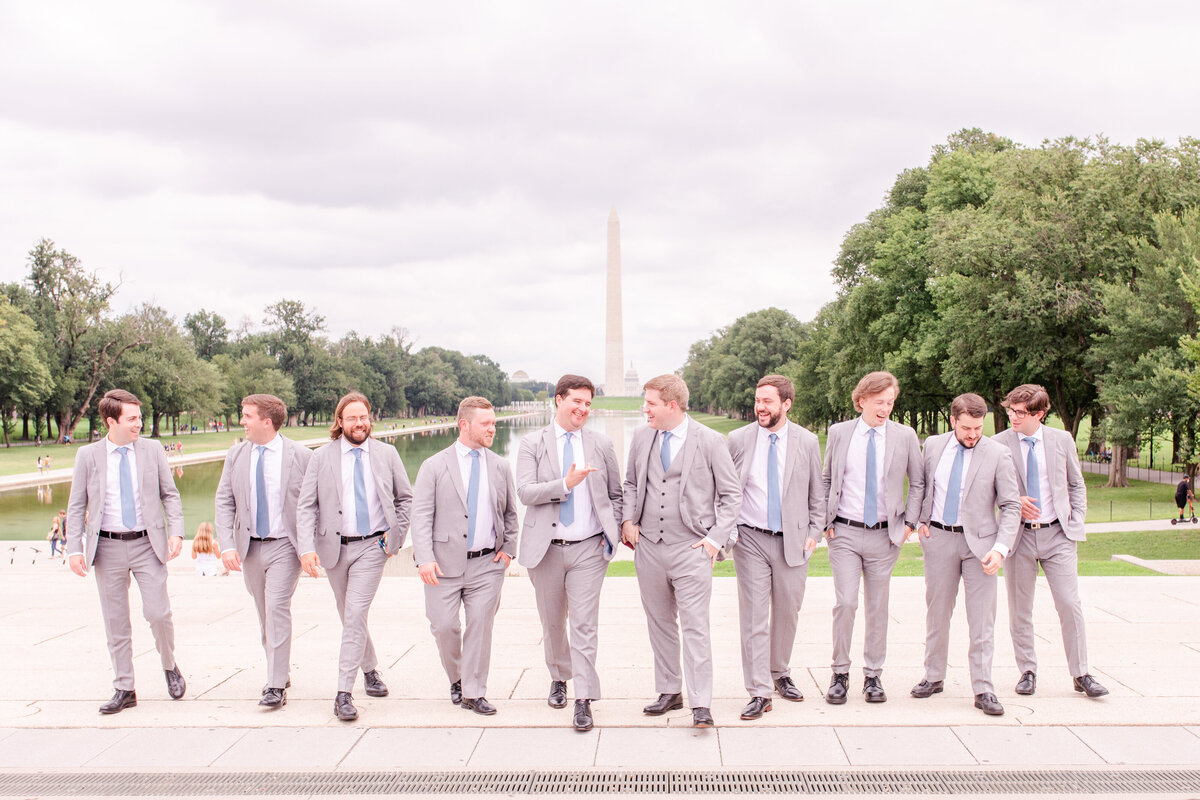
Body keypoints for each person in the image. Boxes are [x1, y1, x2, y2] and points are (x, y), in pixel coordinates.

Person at [621, 374, 742, 729]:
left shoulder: (710, 440)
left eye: (651, 403)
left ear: (672, 406)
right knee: (659, 623)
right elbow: (630, 482)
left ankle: (701, 703)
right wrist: (628, 520)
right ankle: (670, 691)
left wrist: (715, 540)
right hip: (649, 549)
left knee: (695, 626)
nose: (645, 409)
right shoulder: (642, 436)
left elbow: (732, 495)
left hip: (692, 549)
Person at [65, 388, 186, 714]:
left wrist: (175, 532)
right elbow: (76, 505)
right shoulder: (87, 456)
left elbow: (170, 495)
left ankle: (169, 664)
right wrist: (73, 548)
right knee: (116, 622)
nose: (139, 424)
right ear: (111, 421)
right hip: (106, 548)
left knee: (158, 613)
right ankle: (124, 687)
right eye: (132, 419)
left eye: (139, 418)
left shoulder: (152, 450)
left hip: (148, 545)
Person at [296, 391, 413, 722]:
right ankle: (371, 669)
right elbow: (306, 505)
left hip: (372, 547)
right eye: (352, 418)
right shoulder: (320, 458)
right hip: (333, 548)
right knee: (350, 614)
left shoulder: (387, 454)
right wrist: (306, 548)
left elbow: (405, 499)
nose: (359, 423)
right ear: (340, 421)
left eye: (364, 417)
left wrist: (395, 537)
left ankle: (343, 693)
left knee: (354, 612)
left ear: (370, 419)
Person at [515, 375, 622, 732]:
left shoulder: (601, 443)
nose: (583, 409)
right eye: (577, 401)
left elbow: (616, 494)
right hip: (546, 549)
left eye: (589, 403)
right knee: (552, 622)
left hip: (589, 548)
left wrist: (614, 531)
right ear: (559, 400)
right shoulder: (532, 443)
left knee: (584, 624)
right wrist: (565, 485)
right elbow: (526, 492)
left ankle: (584, 699)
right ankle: (559, 676)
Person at [995, 384, 1109, 698]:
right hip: (1019, 537)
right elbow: (986, 490)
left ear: (1040, 414)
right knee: (1020, 610)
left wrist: (1077, 520)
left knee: (1070, 604)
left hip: (1058, 534)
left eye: (1020, 412)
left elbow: (1076, 484)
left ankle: (1081, 673)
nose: (1013, 417)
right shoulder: (998, 444)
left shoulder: (1062, 440)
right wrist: (1015, 501)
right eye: (1010, 410)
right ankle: (1027, 671)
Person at [910, 393, 1020, 716]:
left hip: (982, 548)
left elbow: (1011, 506)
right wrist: (920, 521)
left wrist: (1001, 549)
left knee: (982, 619)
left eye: (978, 428)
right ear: (953, 420)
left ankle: (983, 688)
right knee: (937, 612)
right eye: (966, 428)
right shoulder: (932, 446)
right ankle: (933, 676)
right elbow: (921, 486)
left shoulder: (998, 454)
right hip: (940, 540)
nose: (973, 435)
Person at [411, 396, 519, 716]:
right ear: (464, 424)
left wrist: (509, 549)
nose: (492, 429)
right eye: (485, 423)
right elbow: (421, 517)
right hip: (441, 564)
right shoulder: (433, 465)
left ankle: (474, 691)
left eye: (493, 423)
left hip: (487, 564)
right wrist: (424, 558)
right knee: (444, 627)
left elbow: (511, 513)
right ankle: (457, 678)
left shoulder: (500, 465)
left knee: (480, 626)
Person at [821, 371, 924, 705]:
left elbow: (918, 482)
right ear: (862, 400)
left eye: (891, 402)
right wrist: (825, 521)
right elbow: (826, 479)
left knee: (878, 607)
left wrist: (909, 522)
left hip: (886, 536)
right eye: (880, 402)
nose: (886, 409)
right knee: (846, 602)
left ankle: (873, 676)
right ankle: (839, 673)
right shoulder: (839, 433)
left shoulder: (904, 435)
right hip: (844, 533)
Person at [727, 375, 825, 720]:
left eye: (767, 401)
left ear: (786, 404)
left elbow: (818, 492)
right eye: (757, 400)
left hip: (794, 540)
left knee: (787, 612)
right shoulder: (738, 439)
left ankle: (779, 672)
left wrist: (816, 530)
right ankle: (758, 691)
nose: (760, 407)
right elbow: (724, 488)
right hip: (750, 538)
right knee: (754, 616)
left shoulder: (807, 441)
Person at [215, 393, 314, 707]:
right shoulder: (236, 455)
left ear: (266, 421)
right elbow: (224, 501)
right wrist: (227, 545)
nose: (241, 421)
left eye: (246, 416)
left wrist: (310, 547)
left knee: (276, 609)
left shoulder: (301, 455)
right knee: (264, 613)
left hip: (286, 546)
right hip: (250, 549)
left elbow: (315, 503)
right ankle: (280, 670)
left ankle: (274, 686)